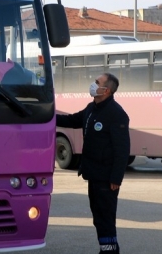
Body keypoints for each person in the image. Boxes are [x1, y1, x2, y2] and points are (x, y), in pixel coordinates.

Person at [56, 73, 130, 253]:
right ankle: (109, 248)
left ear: (107, 90)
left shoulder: (116, 114)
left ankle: (109, 250)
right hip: (93, 174)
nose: (92, 84)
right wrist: (47, 115)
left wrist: (116, 178)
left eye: (97, 82)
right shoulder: (92, 108)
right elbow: (72, 120)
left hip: (106, 178)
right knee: (98, 216)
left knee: (105, 216)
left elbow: (122, 150)